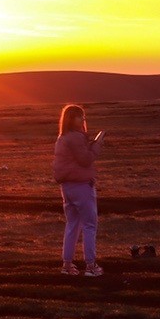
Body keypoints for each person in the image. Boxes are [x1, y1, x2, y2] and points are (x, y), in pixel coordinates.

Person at [52, 104, 105, 276]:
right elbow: (85, 160)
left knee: (72, 225)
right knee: (90, 225)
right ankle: (90, 266)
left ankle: (67, 265)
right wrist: (97, 144)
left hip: (67, 187)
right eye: (79, 116)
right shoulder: (75, 137)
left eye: (83, 116)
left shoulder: (62, 137)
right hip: (81, 186)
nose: (83, 119)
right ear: (71, 119)